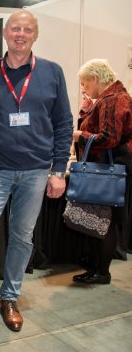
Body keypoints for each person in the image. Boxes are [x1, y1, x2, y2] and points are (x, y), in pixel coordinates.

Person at [0, 9, 73, 333]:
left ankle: (10, 298)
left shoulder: (52, 72)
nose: (20, 34)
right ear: (5, 32)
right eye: (15, 28)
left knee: (22, 237)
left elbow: (63, 123)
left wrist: (58, 170)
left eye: (27, 29)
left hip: (36, 171)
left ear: (35, 35)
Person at [72, 59, 132, 284]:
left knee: (104, 221)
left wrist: (80, 136)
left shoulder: (112, 99)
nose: (83, 88)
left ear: (95, 79)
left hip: (109, 169)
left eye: (85, 83)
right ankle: (98, 269)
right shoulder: (114, 98)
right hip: (111, 168)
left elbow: (108, 138)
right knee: (103, 220)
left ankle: (101, 272)